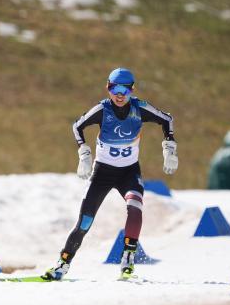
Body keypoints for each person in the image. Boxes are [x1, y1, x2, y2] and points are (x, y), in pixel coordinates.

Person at [42, 67, 178, 281]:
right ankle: (62, 263)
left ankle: (128, 258)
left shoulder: (140, 108)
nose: (120, 95)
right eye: (115, 89)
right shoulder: (102, 109)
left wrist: (169, 147)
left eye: (125, 89)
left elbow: (167, 120)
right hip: (102, 173)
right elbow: (77, 126)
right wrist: (84, 153)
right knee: (84, 222)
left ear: (132, 90)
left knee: (135, 208)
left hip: (129, 173)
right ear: (108, 88)